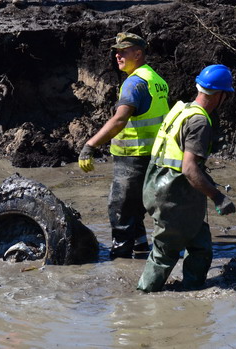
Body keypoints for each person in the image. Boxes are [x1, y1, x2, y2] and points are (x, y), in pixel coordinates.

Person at [136, 64, 236, 292]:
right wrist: (218, 196)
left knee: (199, 244)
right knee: (165, 252)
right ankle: (143, 299)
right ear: (220, 95)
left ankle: (193, 291)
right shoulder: (199, 122)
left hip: (157, 187)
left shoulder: (181, 109)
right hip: (173, 195)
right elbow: (190, 169)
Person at [77, 32, 170, 259]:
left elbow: (119, 120)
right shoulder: (155, 79)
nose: (118, 56)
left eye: (123, 51)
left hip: (133, 157)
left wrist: (90, 145)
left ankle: (119, 258)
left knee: (120, 210)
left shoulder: (134, 83)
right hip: (153, 155)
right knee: (135, 210)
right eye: (116, 52)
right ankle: (139, 251)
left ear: (138, 54)